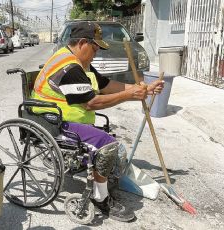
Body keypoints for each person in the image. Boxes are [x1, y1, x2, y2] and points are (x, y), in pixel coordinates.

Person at [30, 21, 164, 222]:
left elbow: (106, 85)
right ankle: (100, 198)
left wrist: (141, 89)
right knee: (108, 145)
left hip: (68, 117)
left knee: (109, 142)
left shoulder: (80, 62)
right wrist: (130, 95)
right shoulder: (68, 67)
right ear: (83, 43)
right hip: (52, 122)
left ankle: (99, 177)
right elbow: (92, 102)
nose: (97, 53)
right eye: (95, 48)